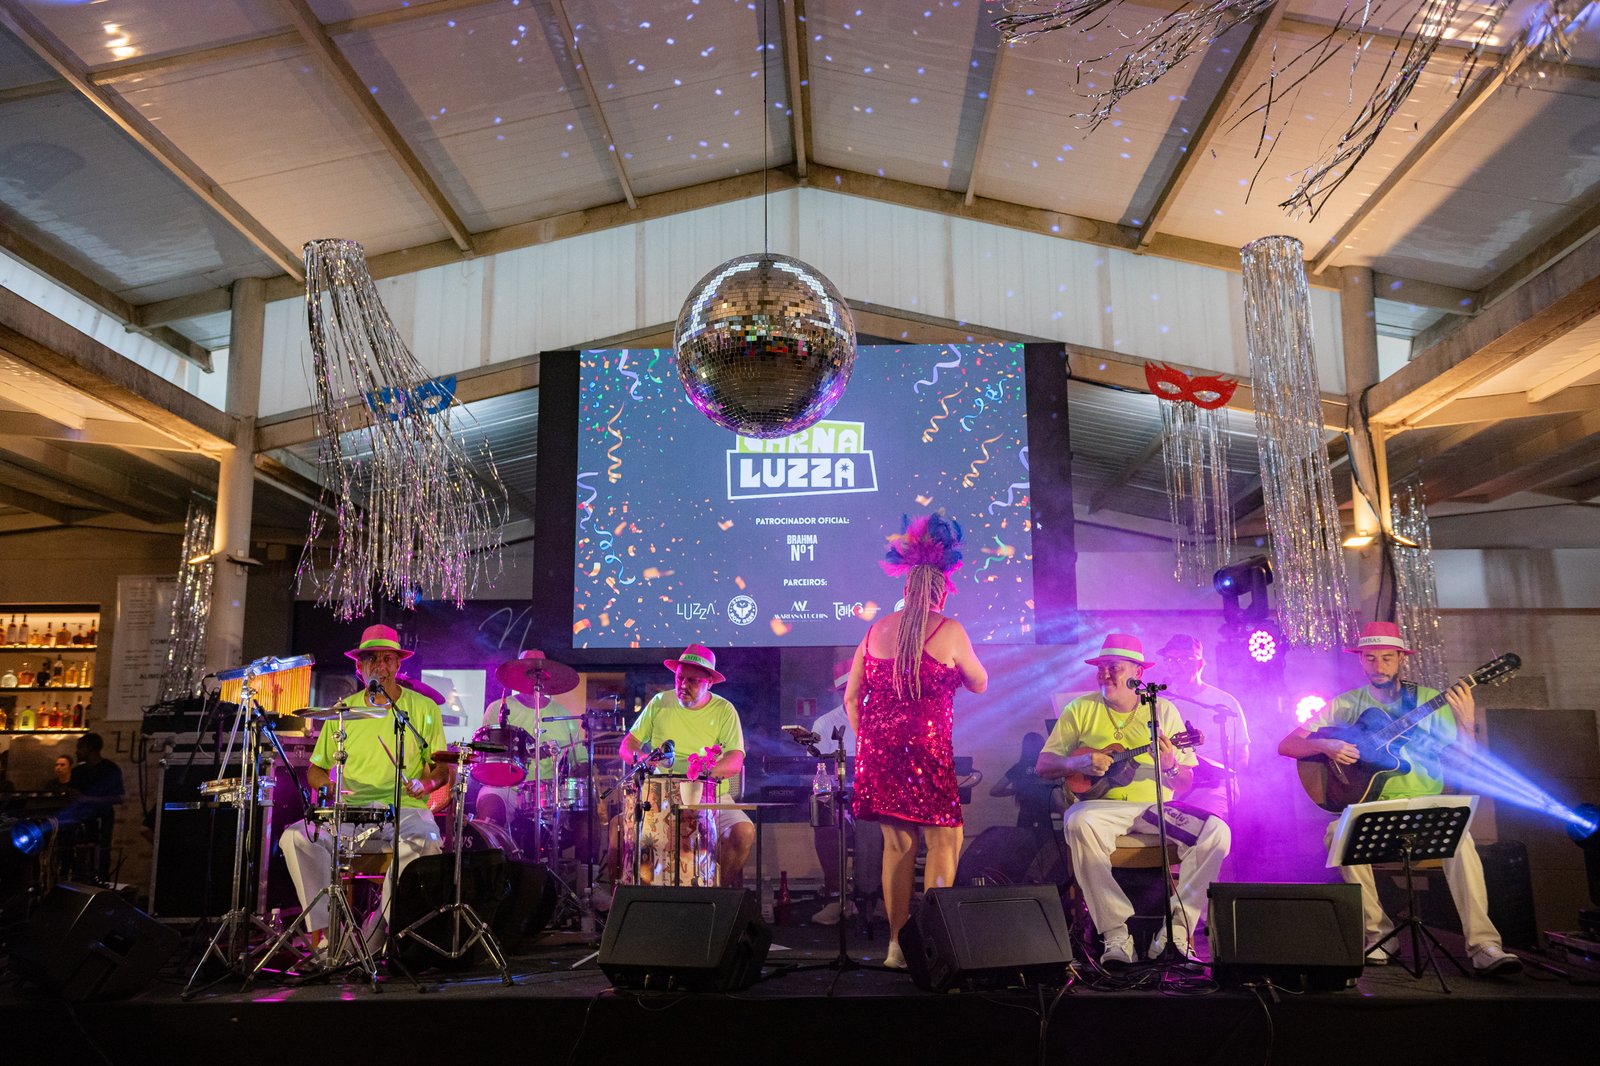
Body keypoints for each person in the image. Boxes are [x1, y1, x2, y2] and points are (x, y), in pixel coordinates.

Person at [1276, 621, 1522, 975]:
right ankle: (1379, 935)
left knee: (1462, 839)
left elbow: (1464, 763)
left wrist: (1466, 724)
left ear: (1401, 659)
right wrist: (1326, 745)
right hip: (1370, 809)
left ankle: (1484, 945)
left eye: (1387, 658)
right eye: (1370, 658)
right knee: (1337, 833)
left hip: (1424, 807)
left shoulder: (1428, 701)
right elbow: (1287, 745)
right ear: (1360, 660)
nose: (1378, 666)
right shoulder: (1346, 704)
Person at [1036, 634, 1230, 966]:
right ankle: (1115, 934)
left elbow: (1184, 783)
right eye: (1100, 667)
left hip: (1154, 808)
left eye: (1113, 667)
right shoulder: (1079, 709)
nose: (1104, 674)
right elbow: (1043, 766)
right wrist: (1078, 763)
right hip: (1100, 808)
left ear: (1137, 674)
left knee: (1217, 833)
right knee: (1077, 820)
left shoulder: (1162, 710)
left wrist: (1170, 764)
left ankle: (1176, 934)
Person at [847, 513, 987, 969]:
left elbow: (851, 698)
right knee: (945, 840)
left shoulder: (874, 631)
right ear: (941, 591)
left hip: (879, 753)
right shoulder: (950, 629)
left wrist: (870, 740)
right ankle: (932, 944)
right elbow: (980, 682)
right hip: (926, 752)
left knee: (897, 846)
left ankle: (895, 946)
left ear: (906, 589)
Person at [280, 624, 449, 953]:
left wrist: (425, 783)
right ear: (359, 667)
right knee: (296, 838)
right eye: (371, 659)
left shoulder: (423, 709)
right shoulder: (342, 711)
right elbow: (316, 770)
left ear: (398, 664)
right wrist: (329, 785)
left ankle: (379, 929)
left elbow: (442, 768)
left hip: (405, 810)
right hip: (351, 812)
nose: (379, 666)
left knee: (427, 840)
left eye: (387, 659)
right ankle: (327, 937)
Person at [620, 644, 754, 885]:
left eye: (692, 680)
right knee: (617, 833)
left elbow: (735, 759)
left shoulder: (724, 710)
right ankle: (619, 899)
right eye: (680, 678)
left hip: (710, 796)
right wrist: (644, 761)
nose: (683, 685)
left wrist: (703, 773)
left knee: (743, 832)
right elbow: (627, 746)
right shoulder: (660, 702)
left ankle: (718, 895)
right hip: (660, 797)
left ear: (709, 683)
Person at [476, 651, 588, 828]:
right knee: (490, 807)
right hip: (506, 787)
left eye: (539, 672)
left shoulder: (563, 714)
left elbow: (580, 762)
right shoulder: (498, 708)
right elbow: (485, 754)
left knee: (585, 821)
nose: (534, 677)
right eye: (528, 671)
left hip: (550, 792)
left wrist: (571, 789)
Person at [809, 661, 884, 925]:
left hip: (878, 797)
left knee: (888, 824)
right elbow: (815, 772)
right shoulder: (825, 723)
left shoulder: (884, 719)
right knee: (826, 819)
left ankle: (880, 898)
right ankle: (836, 897)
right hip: (839, 796)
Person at [1151, 634, 1247, 817]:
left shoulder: (1223, 702)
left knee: (1204, 824)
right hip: (1170, 784)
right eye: (1170, 659)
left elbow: (1241, 756)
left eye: (1184, 659)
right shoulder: (1160, 702)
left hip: (1212, 786)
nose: (1175, 665)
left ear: (1200, 664)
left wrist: (1215, 774)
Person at [63, 732, 124, 882]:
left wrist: (86, 799)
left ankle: (100, 886)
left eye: (80, 748)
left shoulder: (110, 769)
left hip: (102, 821)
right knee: (78, 859)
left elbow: (118, 798)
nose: (76, 752)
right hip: (79, 822)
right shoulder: (77, 771)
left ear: (90, 749)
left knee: (101, 857)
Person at [991, 732, 1061, 829]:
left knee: (1024, 838)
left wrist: (1016, 790)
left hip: (1024, 818)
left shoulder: (1019, 767)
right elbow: (1058, 799)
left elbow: (995, 791)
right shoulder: (1048, 767)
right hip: (1044, 818)